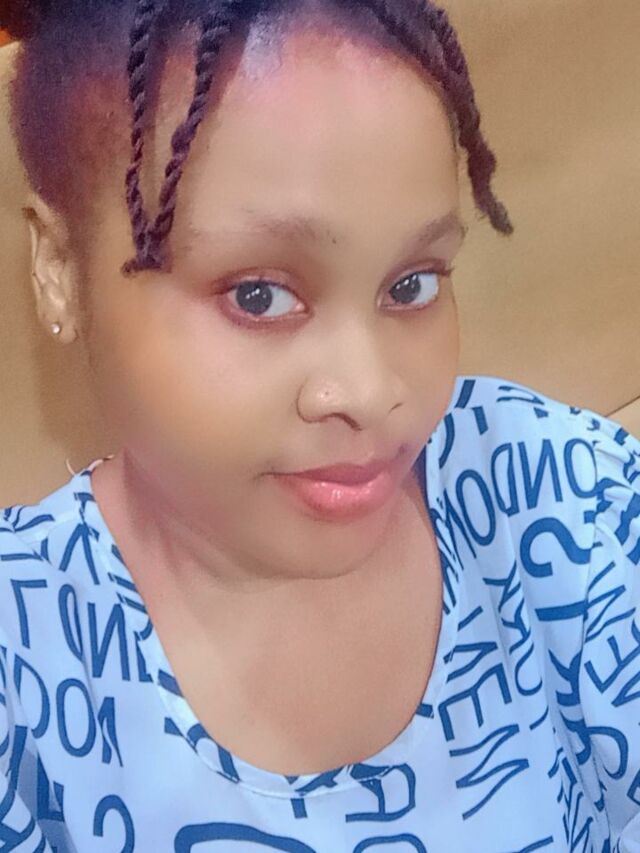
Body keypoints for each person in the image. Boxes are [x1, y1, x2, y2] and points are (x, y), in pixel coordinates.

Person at [0, 0, 638, 849]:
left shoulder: (556, 496)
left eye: (412, 284)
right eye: (259, 295)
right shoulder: (26, 661)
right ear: (58, 267)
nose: (371, 392)